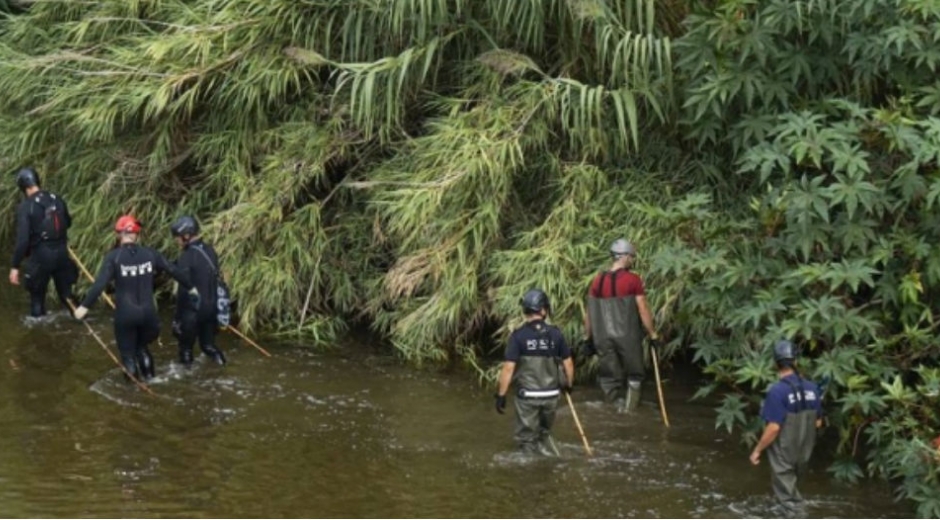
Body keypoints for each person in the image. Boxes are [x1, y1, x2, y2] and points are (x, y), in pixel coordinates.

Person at [73, 215, 197, 381]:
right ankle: (151, 381)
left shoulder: (114, 257)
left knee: (128, 355)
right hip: (150, 317)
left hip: (126, 315)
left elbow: (99, 285)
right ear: (136, 234)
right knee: (142, 347)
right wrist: (192, 289)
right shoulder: (150, 254)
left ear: (119, 234)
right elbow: (174, 271)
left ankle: (132, 394)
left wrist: (83, 308)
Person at [495, 289, 575, 456]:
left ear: (526, 311)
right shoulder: (556, 334)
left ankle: (530, 471)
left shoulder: (518, 336)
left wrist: (501, 395)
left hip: (528, 397)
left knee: (527, 439)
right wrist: (568, 384)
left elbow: (509, 367)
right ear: (543, 310)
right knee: (545, 433)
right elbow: (568, 363)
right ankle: (553, 459)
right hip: (551, 395)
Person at [749, 339, 824, 517]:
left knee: (790, 503)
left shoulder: (777, 391)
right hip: (804, 451)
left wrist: (757, 450)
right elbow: (818, 423)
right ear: (795, 362)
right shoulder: (813, 388)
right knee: (792, 492)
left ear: (776, 364)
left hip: (784, 453)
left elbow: (774, 427)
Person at [584, 238, 659, 412]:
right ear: (624, 256)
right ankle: (630, 412)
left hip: (603, 337)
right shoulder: (633, 280)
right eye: (632, 256)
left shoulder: (597, 280)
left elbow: (589, 313)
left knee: (609, 377)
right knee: (635, 374)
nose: (632, 260)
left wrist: (587, 338)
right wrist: (653, 334)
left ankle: (610, 411)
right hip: (628, 336)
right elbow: (642, 309)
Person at [8, 167, 78, 317]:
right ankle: (82, 318)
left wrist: (15, 266)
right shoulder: (57, 198)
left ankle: (38, 332)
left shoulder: (26, 207)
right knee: (67, 296)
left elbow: (23, 241)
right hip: (61, 254)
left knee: (37, 299)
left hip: (41, 257)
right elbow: (68, 223)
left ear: (23, 186)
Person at [169, 215, 226, 366]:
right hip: (211, 308)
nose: (177, 241)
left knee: (186, 349)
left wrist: (177, 319)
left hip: (192, 312)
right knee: (208, 346)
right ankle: (223, 367)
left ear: (186, 236)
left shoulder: (187, 257)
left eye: (177, 238)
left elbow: (183, 290)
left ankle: (186, 381)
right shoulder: (210, 251)